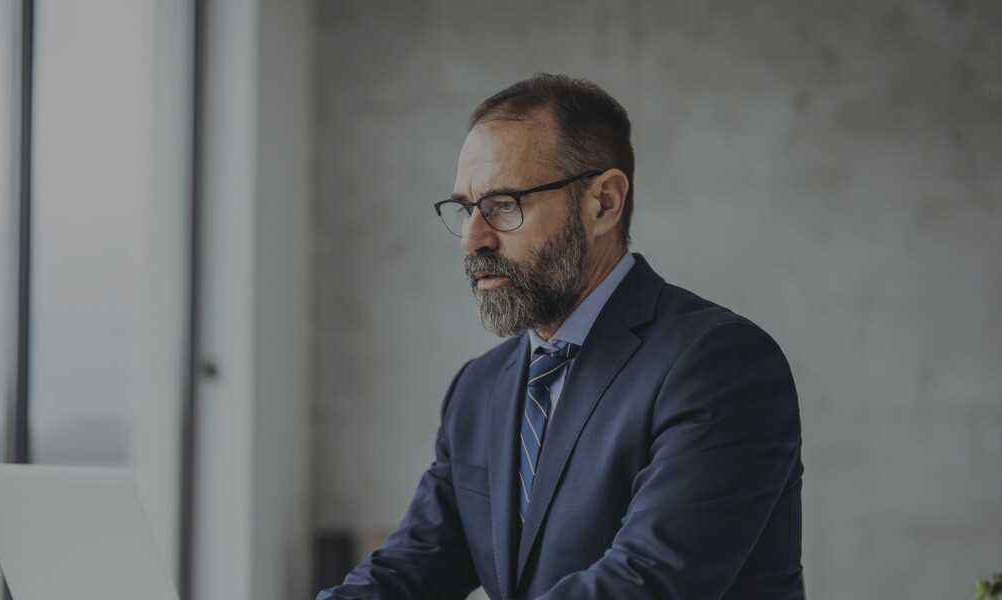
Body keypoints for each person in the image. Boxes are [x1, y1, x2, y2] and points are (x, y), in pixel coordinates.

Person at [317, 74, 804, 600]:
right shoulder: (477, 390)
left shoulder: (720, 365)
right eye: (464, 208)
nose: (472, 239)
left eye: (503, 204)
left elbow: (645, 584)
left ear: (603, 203)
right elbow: (407, 568)